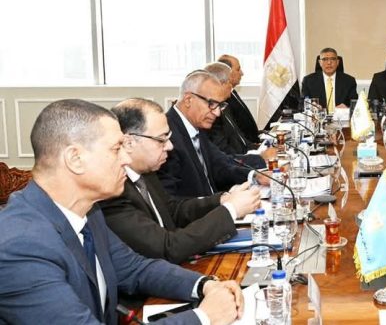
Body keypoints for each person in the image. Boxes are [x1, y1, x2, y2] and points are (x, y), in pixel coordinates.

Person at [0, 99, 243, 325]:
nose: (127, 158)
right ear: (75, 159)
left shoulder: (88, 210)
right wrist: (204, 317)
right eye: (116, 149)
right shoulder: (20, 247)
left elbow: (135, 269)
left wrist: (205, 285)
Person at [99, 98, 261, 264]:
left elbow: (173, 211)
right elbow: (167, 248)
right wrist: (231, 210)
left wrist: (222, 200)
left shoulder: (145, 171)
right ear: (129, 143)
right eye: (161, 139)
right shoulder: (112, 193)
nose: (170, 146)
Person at [157, 71, 269, 198]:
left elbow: (220, 164)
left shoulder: (196, 125)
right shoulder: (166, 137)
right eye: (212, 104)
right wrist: (225, 203)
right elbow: (172, 202)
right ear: (188, 100)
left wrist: (255, 176)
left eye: (220, 105)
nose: (217, 113)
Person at [204, 62, 275, 164]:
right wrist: (259, 157)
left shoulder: (224, 106)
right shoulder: (212, 114)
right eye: (229, 82)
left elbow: (240, 139)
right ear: (220, 84)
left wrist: (259, 148)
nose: (232, 88)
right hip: (236, 165)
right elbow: (224, 156)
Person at [217, 54, 261, 146]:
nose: (242, 73)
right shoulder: (223, 100)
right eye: (238, 69)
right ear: (228, 72)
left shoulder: (233, 92)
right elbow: (235, 134)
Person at [300, 47, 358, 113]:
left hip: (341, 118)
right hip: (318, 118)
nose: (329, 62)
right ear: (320, 62)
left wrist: (346, 107)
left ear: (337, 62)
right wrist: (311, 107)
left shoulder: (349, 81)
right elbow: (301, 105)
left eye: (332, 59)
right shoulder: (308, 81)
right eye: (325, 59)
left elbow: (355, 104)